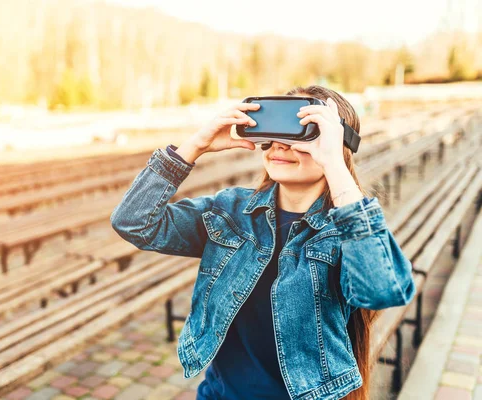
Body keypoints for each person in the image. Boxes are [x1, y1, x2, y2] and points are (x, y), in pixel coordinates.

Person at [110, 85, 416, 400]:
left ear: (337, 143)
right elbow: (134, 222)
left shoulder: (346, 232)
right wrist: (195, 146)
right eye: (273, 130)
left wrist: (336, 167)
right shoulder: (231, 212)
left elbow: (383, 290)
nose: (280, 146)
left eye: (302, 133)